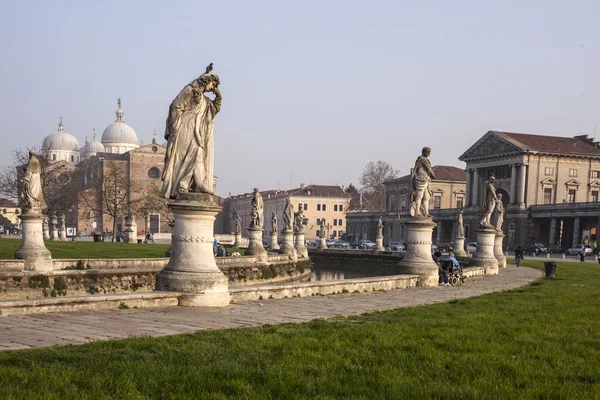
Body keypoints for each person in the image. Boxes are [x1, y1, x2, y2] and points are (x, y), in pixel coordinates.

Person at [161, 69, 222, 199]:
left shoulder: (205, 100)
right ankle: (181, 186)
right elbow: (175, 106)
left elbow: (211, 112)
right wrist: (176, 125)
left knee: (198, 155)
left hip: (197, 132)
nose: (213, 88)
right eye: (212, 84)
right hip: (185, 129)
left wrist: (218, 99)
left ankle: (198, 183)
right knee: (185, 157)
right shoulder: (189, 90)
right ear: (206, 81)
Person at [410, 147, 435, 217]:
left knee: (426, 197)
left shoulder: (424, 160)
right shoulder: (422, 160)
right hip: (420, 179)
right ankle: (417, 211)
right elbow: (429, 169)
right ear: (423, 152)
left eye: (429, 152)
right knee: (419, 196)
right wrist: (433, 175)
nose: (428, 153)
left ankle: (426, 212)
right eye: (427, 152)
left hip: (426, 180)